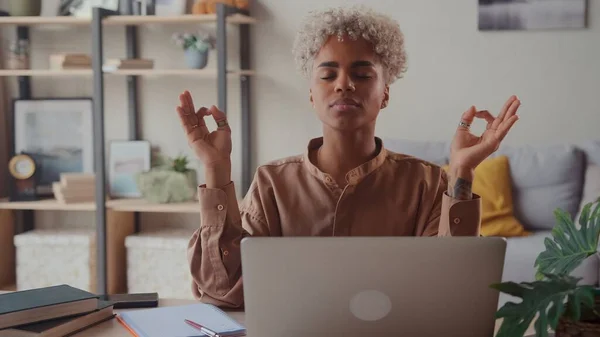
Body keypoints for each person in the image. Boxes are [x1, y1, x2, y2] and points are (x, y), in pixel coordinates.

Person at [177, 5, 521, 309]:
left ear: (384, 93)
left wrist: (462, 169)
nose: (344, 85)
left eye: (362, 74)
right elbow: (223, 292)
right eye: (328, 75)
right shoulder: (273, 183)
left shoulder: (428, 183)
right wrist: (216, 169)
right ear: (312, 94)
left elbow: (454, 291)